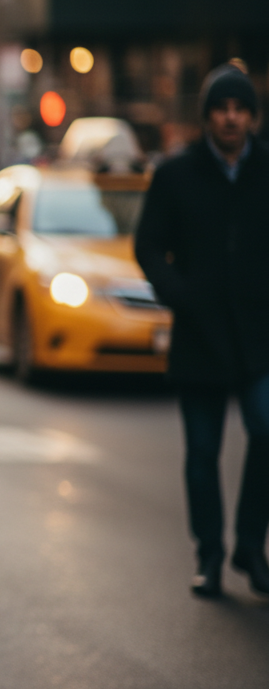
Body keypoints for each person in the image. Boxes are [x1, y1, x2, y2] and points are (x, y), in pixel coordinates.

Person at [135, 64, 269, 599]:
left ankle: (251, 548)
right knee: (201, 454)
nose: (231, 118)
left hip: (260, 336)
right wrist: (180, 294)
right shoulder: (176, 175)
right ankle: (209, 554)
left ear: (252, 117)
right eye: (222, 109)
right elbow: (148, 246)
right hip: (199, 335)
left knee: (266, 430)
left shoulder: (267, 171)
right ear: (207, 116)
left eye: (240, 109)